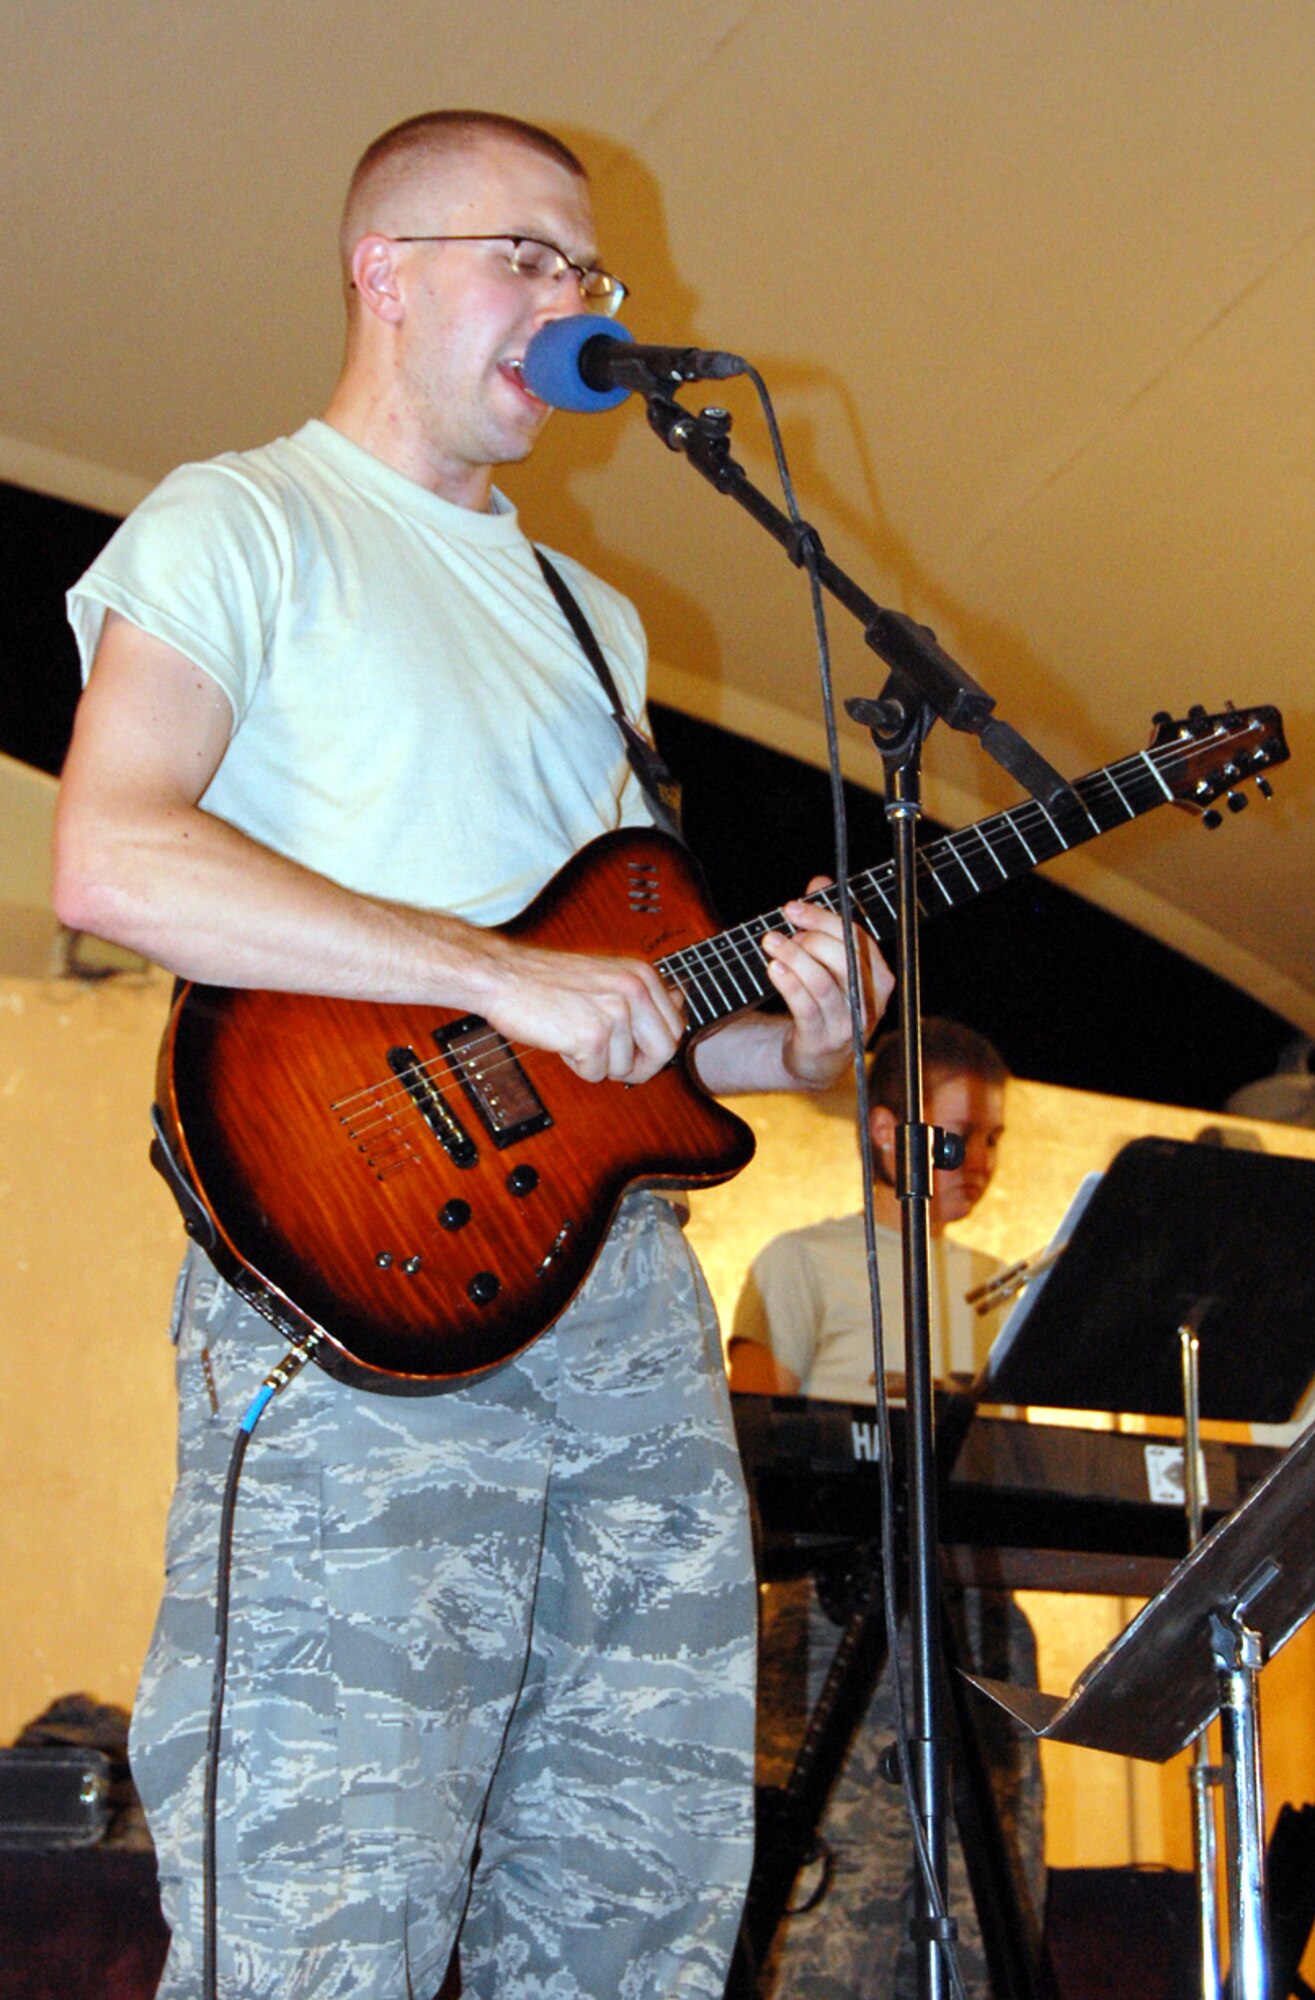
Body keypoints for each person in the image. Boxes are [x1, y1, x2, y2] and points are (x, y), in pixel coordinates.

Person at [52, 110, 891, 2000]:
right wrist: (494, 978)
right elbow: (113, 855)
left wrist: (799, 1042)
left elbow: (626, 1029)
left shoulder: (595, 621)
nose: (574, 303)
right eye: (526, 257)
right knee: (322, 1912)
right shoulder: (243, 519)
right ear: (383, 272)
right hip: (361, 1289)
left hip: (623, 1317)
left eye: (587, 272)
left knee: (638, 1910)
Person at [727, 1019, 1044, 2000]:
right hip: (837, 1614)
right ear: (884, 1129)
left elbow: (1016, 1474)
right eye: (957, 1136)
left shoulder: (998, 1288)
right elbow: (758, 1448)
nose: (978, 1161)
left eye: (993, 1139)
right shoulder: (802, 1261)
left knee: (988, 1921)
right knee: (832, 1929)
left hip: (977, 1623)